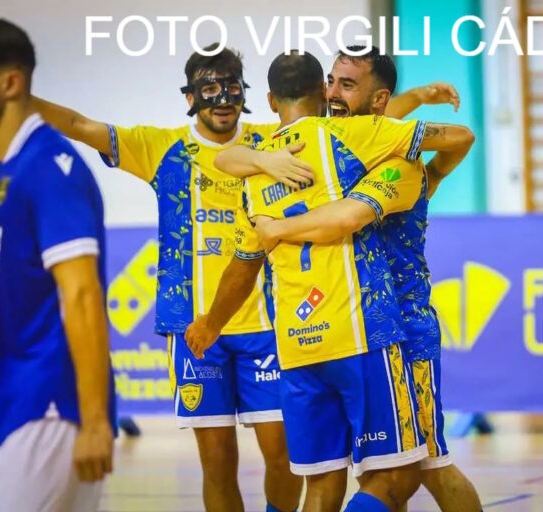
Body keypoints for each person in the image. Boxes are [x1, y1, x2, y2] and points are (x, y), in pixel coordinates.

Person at [186, 50, 475, 512]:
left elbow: (235, 171)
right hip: (366, 332)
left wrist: (271, 216)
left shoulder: (358, 154)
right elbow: (363, 147)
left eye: (347, 85)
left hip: (367, 333)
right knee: (402, 471)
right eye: (333, 84)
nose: (336, 94)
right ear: (320, 91)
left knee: (415, 468)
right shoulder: (354, 143)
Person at [32, 45, 306, 512]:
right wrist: (14, 100)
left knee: (285, 456)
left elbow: (343, 132)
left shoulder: (271, 139)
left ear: (246, 95)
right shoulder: (161, 147)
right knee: (218, 461)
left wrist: (410, 100)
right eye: (210, 88)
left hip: (269, 327)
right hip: (195, 331)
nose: (223, 98)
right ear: (190, 97)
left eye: (232, 88)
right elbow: (79, 127)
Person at [0, 18, 116, 511]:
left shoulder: (50, 167)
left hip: (51, 414)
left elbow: (81, 294)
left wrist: (95, 420)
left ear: (11, 82)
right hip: (10, 413)